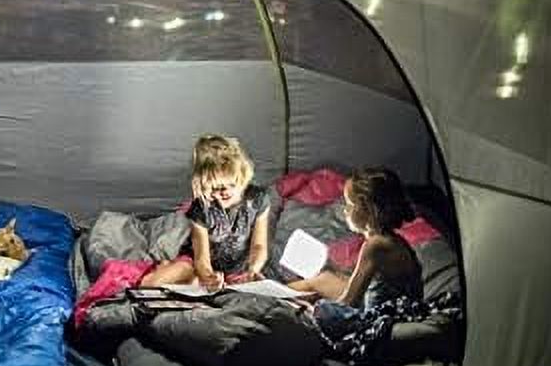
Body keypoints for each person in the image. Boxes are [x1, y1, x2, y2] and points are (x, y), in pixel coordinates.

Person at [288, 167, 423, 337]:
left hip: (374, 324)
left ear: (367, 208)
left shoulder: (375, 246)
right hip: (385, 308)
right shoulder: (394, 240)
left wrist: (311, 310)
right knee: (324, 278)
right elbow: (376, 285)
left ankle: (275, 298)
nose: (345, 210)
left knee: (314, 310)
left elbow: (348, 303)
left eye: (349, 204)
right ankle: (274, 292)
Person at [140, 135, 271, 290]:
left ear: (242, 176)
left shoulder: (258, 198)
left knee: (253, 285)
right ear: (205, 186)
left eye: (231, 185)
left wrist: (252, 270)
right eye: (216, 188)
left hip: (238, 268)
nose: (225, 192)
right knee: (172, 277)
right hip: (197, 263)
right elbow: (201, 257)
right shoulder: (202, 207)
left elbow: (259, 246)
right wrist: (208, 276)